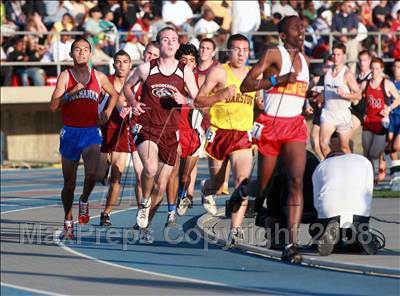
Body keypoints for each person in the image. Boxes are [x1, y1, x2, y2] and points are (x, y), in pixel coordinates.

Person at [240, 16, 310, 263]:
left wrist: (311, 106)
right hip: (271, 124)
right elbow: (245, 85)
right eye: (295, 27)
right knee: (263, 188)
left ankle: (291, 243)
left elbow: (299, 95)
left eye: (302, 26)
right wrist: (276, 80)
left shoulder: (305, 60)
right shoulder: (274, 53)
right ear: (283, 35)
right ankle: (243, 190)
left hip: (294, 126)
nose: (301, 30)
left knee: (296, 181)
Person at [123, 27, 198, 244]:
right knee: (150, 169)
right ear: (159, 44)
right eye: (166, 40)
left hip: (170, 133)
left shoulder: (185, 71)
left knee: (161, 186)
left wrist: (184, 99)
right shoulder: (146, 68)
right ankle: (144, 203)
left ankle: (144, 223)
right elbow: (128, 87)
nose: (171, 43)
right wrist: (134, 102)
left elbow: (197, 99)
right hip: (148, 127)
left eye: (174, 39)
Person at [50, 37, 119, 239]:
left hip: (90, 132)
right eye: (77, 50)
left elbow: (114, 94)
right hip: (70, 133)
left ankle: (84, 200)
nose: (81, 53)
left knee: (93, 174)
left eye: (85, 49)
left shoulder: (99, 76)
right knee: (69, 184)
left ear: (90, 54)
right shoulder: (65, 76)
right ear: (71, 54)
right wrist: (71, 93)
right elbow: (53, 106)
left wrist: (106, 112)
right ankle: (68, 219)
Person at [195, 34, 259, 248]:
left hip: (242, 135)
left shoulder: (253, 75)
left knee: (242, 182)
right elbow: (198, 100)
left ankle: (235, 230)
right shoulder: (220, 72)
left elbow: (261, 102)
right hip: (220, 133)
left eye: (245, 50)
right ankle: (206, 189)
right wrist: (220, 95)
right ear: (228, 52)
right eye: (237, 49)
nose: (241, 54)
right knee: (218, 183)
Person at [97, 50, 143, 227]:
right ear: (114, 64)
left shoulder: (137, 84)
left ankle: (108, 213)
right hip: (107, 131)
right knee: (99, 175)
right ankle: (103, 170)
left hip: (128, 133)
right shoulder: (105, 82)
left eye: (125, 61)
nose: (122, 65)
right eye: (118, 61)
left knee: (122, 176)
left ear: (131, 65)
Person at [312, 151, 378, 256]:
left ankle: (333, 234)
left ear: (328, 158)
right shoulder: (363, 161)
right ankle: (360, 231)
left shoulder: (321, 166)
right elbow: (368, 191)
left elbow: (316, 197)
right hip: (359, 209)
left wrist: (322, 215)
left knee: (327, 223)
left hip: (330, 210)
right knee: (359, 225)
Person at [173, 44, 205, 217]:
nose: (187, 64)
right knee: (173, 172)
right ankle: (171, 209)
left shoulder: (200, 82)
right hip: (175, 132)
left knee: (185, 176)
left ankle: (182, 194)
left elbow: (205, 104)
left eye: (192, 61)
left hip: (193, 133)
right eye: (184, 60)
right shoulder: (171, 79)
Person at [361, 57, 400, 183]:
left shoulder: (387, 83)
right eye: (372, 68)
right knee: (366, 152)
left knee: (377, 152)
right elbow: (357, 96)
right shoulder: (365, 83)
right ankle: (370, 178)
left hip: (382, 121)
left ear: (381, 69)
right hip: (369, 121)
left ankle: (385, 162)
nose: (374, 70)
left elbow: (398, 99)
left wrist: (388, 108)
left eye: (377, 68)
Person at [319, 43, 362, 157]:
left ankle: (350, 168)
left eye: (339, 54)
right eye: (334, 54)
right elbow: (326, 91)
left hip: (342, 114)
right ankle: (331, 165)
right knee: (323, 144)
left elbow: (358, 95)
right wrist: (320, 97)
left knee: (344, 147)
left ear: (343, 56)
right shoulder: (327, 72)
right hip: (328, 113)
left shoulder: (347, 74)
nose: (336, 57)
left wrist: (344, 95)